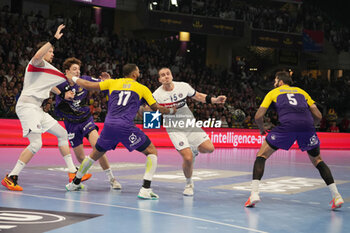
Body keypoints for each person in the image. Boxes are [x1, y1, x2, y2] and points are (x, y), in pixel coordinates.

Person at [65, 64, 176, 200]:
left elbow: (87, 84)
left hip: (109, 126)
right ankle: (146, 189)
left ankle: (74, 183)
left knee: (95, 154)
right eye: (138, 71)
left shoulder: (113, 82)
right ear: (134, 74)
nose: (139, 73)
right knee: (152, 152)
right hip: (125, 127)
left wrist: (73, 78)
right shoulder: (142, 88)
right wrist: (171, 110)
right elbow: (155, 108)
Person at [1, 25, 90, 191]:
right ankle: (11, 176)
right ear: (44, 50)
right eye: (51, 51)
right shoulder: (35, 63)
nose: (53, 53)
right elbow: (37, 54)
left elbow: (51, 86)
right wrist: (54, 39)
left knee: (62, 134)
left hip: (37, 109)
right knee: (36, 144)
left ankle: (72, 172)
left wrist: (62, 94)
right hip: (27, 107)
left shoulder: (47, 71)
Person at [245, 71, 344, 210]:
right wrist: (309, 126)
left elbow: (258, 116)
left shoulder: (273, 92)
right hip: (307, 127)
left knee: (261, 156)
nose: (274, 83)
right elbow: (318, 115)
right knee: (318, 160)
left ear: (280, 81)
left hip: (288, 126)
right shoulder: (302, 92)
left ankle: (254, 194)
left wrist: (261, 129)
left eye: (275, 80)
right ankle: (337, 196)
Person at [152, 67, 226, 196]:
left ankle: (194, 150)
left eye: (168, 74)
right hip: (174, 128)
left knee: (209, 148)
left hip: (190, 124)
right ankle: (189, 183)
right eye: (162, 75)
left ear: (172, 76)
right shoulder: (157, 95)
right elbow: (148, 110)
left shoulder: (183, 86)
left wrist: (215, 100)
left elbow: (198, 96)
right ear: (159, 79)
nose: (166, 76)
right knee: (187, 157)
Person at [55, 57, 121, 189]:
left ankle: (112, 179)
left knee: (99, 147)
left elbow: (102, 83)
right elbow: (55, 104)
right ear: (67, 72)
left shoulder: (84, 80)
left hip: (86, 119)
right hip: (71, 124)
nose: (77, 72)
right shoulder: (60, 84)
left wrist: (107, 81)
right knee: (80, 157)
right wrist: (63, 96)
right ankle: (78, 179)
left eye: (78, 69)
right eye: (74, 69)